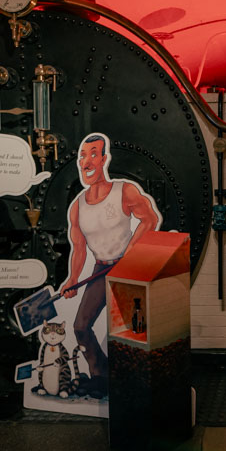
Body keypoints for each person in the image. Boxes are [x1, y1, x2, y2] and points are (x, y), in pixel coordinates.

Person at [60, 133, 160, 398]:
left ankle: (134, 382)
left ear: (104, 159)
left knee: (131, 331)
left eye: (94, 154)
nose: (87, 161)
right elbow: (79, 247)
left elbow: (149, 219)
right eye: (83, 155)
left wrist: (130, 252)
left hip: (126, 269)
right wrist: (72, 279)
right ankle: (101, 375)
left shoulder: (123, 190)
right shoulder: (77, 206)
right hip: (100, 269)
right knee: (81, 326)